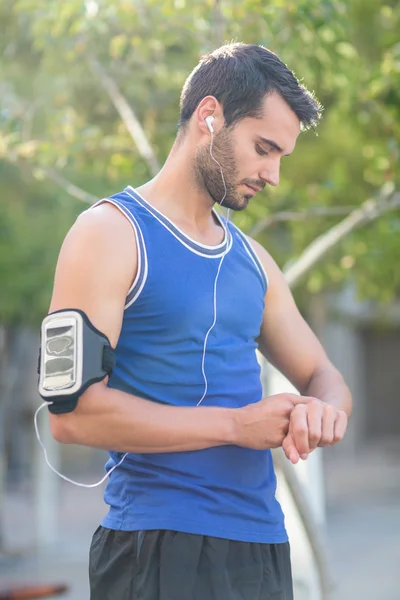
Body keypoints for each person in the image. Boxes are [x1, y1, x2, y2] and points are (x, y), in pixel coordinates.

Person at [47, 43, 352, 600]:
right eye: (264, 149)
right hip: (157, 548)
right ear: (209, 116)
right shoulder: (107, 234)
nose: (274, 175)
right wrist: (236, 426)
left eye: (281, 155)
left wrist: (324, 412)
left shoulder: (255, 263)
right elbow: (71, 417)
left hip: (261, 549)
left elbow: (324, 376)